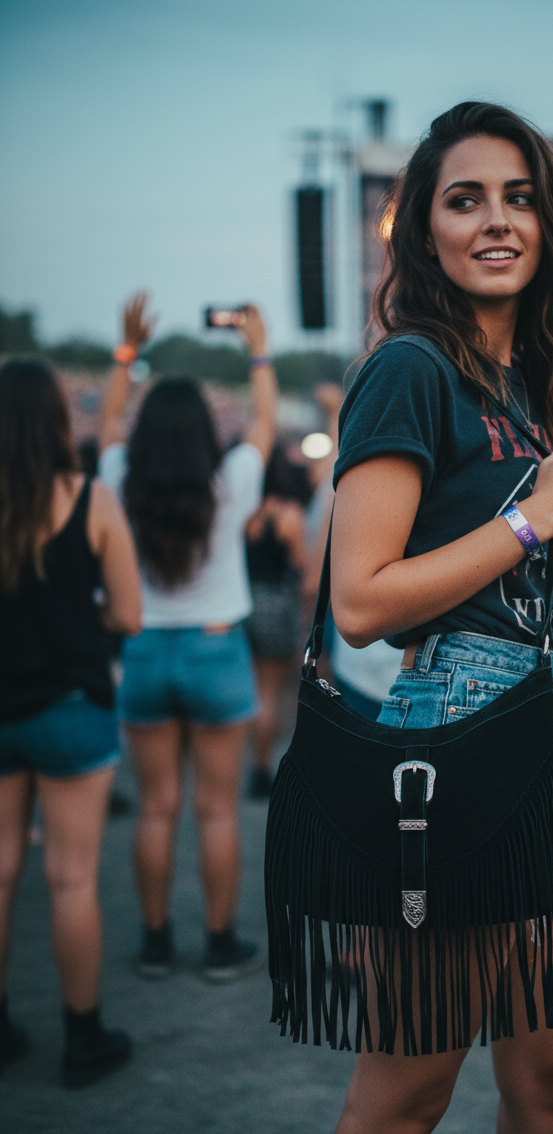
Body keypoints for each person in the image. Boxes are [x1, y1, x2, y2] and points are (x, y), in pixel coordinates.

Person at [309, 101, 553, 1134]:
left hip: (538, 754)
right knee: (407, 1092)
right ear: (422, 228)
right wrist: (534, 525)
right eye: (465, 199)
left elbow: (501, 580)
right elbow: (361, 599)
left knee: (552, 1071)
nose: (497, 220)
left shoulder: (524, 383)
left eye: (518, 196)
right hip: (454, 754)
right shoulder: (410, 369)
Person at [97, 293, 278, 980]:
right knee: (216, 810)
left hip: (143, 650)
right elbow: (263, 422)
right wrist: (255, 347)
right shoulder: (229, 482)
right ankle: (221, 942)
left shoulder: (120, 480)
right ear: (205, 431)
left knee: (156, 809)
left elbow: (110, 422)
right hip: (214, 649)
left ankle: (154, 942)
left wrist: (126, 350)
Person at [0, 359, 142, 1086]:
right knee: (71, 878)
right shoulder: (90, 500)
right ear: (57, 422)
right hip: (70, 704)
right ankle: (82, 1037)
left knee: (0, 870)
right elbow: (128, 615)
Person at [245, 445, 309, 799]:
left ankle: (249, 754)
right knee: (270, 691)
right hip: (277, 603)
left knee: (252, 687)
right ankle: (260, 768)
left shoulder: (245, 513)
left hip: (244, 602)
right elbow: (300, 564)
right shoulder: (289, 513)